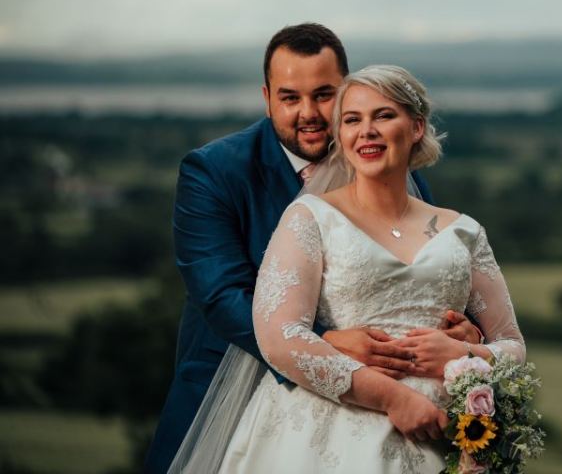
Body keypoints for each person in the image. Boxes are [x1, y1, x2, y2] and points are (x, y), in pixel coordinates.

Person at [145, 25, 478, 473]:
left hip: (389, 414)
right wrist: (323, 345)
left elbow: (428, 270)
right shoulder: (213, 172)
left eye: (324, 95)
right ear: (266, 98)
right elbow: (222, 296)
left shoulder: (387, 159)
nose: (309, 113)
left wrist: (466, 331)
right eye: (289, 98)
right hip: (237, 398)